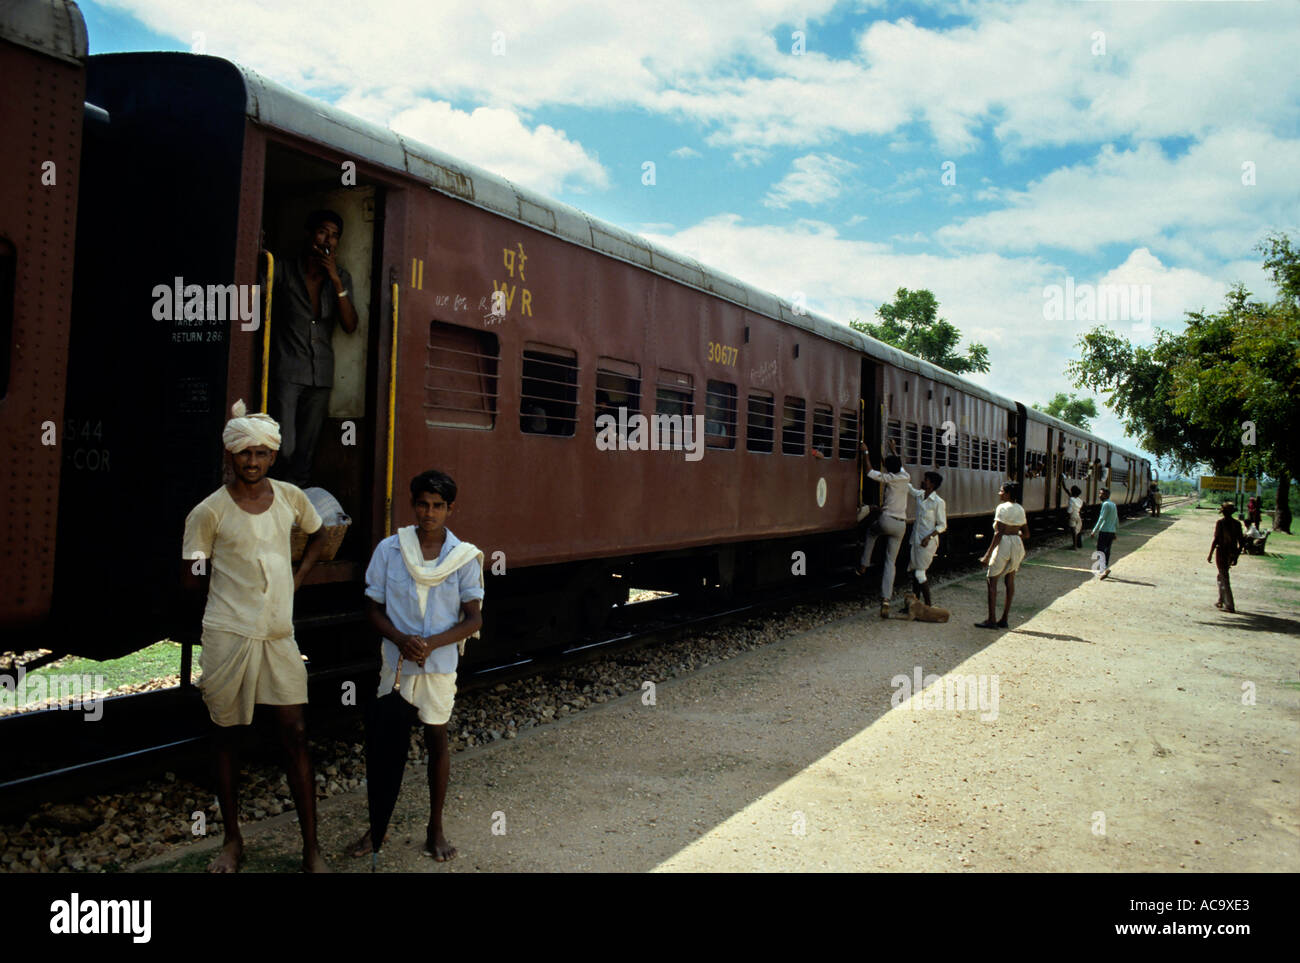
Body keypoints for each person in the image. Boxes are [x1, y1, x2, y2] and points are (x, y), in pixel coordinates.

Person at [181, 400, 330, 873]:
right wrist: (231, 597)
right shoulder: (208, 512)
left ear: (272, 457)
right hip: (228, 635)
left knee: (296, 732)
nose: (252, 462)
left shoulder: (289, 497)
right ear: (231, 456)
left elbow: (321, 532)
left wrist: (296, 577)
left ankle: (311, 849)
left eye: (261, 454)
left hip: (278, 636)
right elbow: (192, 575)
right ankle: (232, 842)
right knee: (227, 737)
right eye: (244, 454)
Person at [349, 470, 484, 862]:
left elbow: (474, 619)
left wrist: (430, 644)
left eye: (438, 506)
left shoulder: (463, 558)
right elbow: (372, 610)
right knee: (386, 746)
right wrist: (400, 640)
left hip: (439, 666)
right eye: (423, 504)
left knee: (436, 741)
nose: (430, 513)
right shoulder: (391, 550)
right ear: (413, 505)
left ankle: (435, 828)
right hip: (396, 664)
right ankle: (377, 827)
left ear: (450, 509)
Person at [271, 209, 359, 487]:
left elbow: (350, 325)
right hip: (287, 370)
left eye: (335, 236)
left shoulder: (341, 277)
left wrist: (335, 281)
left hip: (320, 375)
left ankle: (294, 520)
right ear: (310, 234)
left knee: (305, 454)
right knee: (283, 448)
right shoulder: (283, 269)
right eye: (323, 232)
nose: (328, 240)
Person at [856, 446, 911, 618]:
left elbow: (870, 472)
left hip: (886, 520)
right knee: (890, 563)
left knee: (872, 533)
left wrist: (865, 452)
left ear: (888, 468)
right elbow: (899, 465)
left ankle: (864, 565)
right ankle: (886, 599)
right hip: (901, 525)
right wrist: (894, 451)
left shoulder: (888, 478)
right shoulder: (905, 477)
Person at [975, 482, 1029, 628]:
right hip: (1017, 545)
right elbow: (1026, 533)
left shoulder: (1002, 508)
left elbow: (998, 533)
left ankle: (992, 619)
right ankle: (1004, 619)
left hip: (1004, 544)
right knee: (1010, 579)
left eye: (1001, 491)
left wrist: (987, 555)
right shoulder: (1020, 509)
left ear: (1008, 493)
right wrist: (1014, 535)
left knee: (992, 579)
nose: (999, 493)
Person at [907, 471, 947, 607]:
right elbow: (906, 485)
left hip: (927, 542)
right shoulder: (919, 495)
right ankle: (915, 604)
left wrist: (929, 537)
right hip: (916, 539)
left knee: (920, 573)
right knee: (914, 572)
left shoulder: (938, 502)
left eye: (926, 480)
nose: (923, 481)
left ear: (932, 484)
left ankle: (928, 606)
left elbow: (942, 525)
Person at [1208, 500, 1244, 613]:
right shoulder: (1237, 524)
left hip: (1222, 552)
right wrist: (1237, 556)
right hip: (1232, 553)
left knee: (1224, 576)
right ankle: (1221, 600)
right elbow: (1241, 542)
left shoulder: (1221, 523)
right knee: (1221, 576)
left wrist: (1210, 553)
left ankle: (1230, 605)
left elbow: (1216, 539)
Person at [1089, 486, 1119, 579]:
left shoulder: (1105, 504)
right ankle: (1104, 569)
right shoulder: (1113, 504)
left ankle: (1105, 569)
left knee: (1100, 550)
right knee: (1107, 550)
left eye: (1101, 493)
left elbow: (1101, 518)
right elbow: (1116, 519)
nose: (1099, 495)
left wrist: (1094, 530)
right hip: (1111, 531)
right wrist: (1115, 532)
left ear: (1106, 495)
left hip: (1104, 531)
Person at [1058, 475, 1083, 549]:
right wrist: (1063, 482)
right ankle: (1079, 544)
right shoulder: (1079, 500)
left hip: (1072, 515)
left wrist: (1067, 515)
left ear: (1073, 492)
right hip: (1078, 515)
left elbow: (1070, 509)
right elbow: (1067, 490)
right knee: (1078, 530)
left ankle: (1074, 546)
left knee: (1073, 531)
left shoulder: (1071, 499)